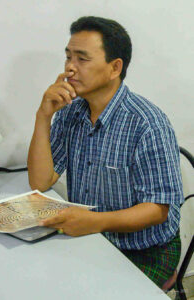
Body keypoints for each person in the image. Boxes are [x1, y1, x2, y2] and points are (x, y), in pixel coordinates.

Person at [27, 16, 184, 288]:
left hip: (145, 250)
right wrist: (43, 116)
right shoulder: (71, 111)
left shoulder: (147, 123)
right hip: (92, 237)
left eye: (82, 59)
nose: (69, 68)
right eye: (67, 57)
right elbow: (41, 182)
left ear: (114, 68)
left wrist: (92, 222)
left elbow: (158, 210)